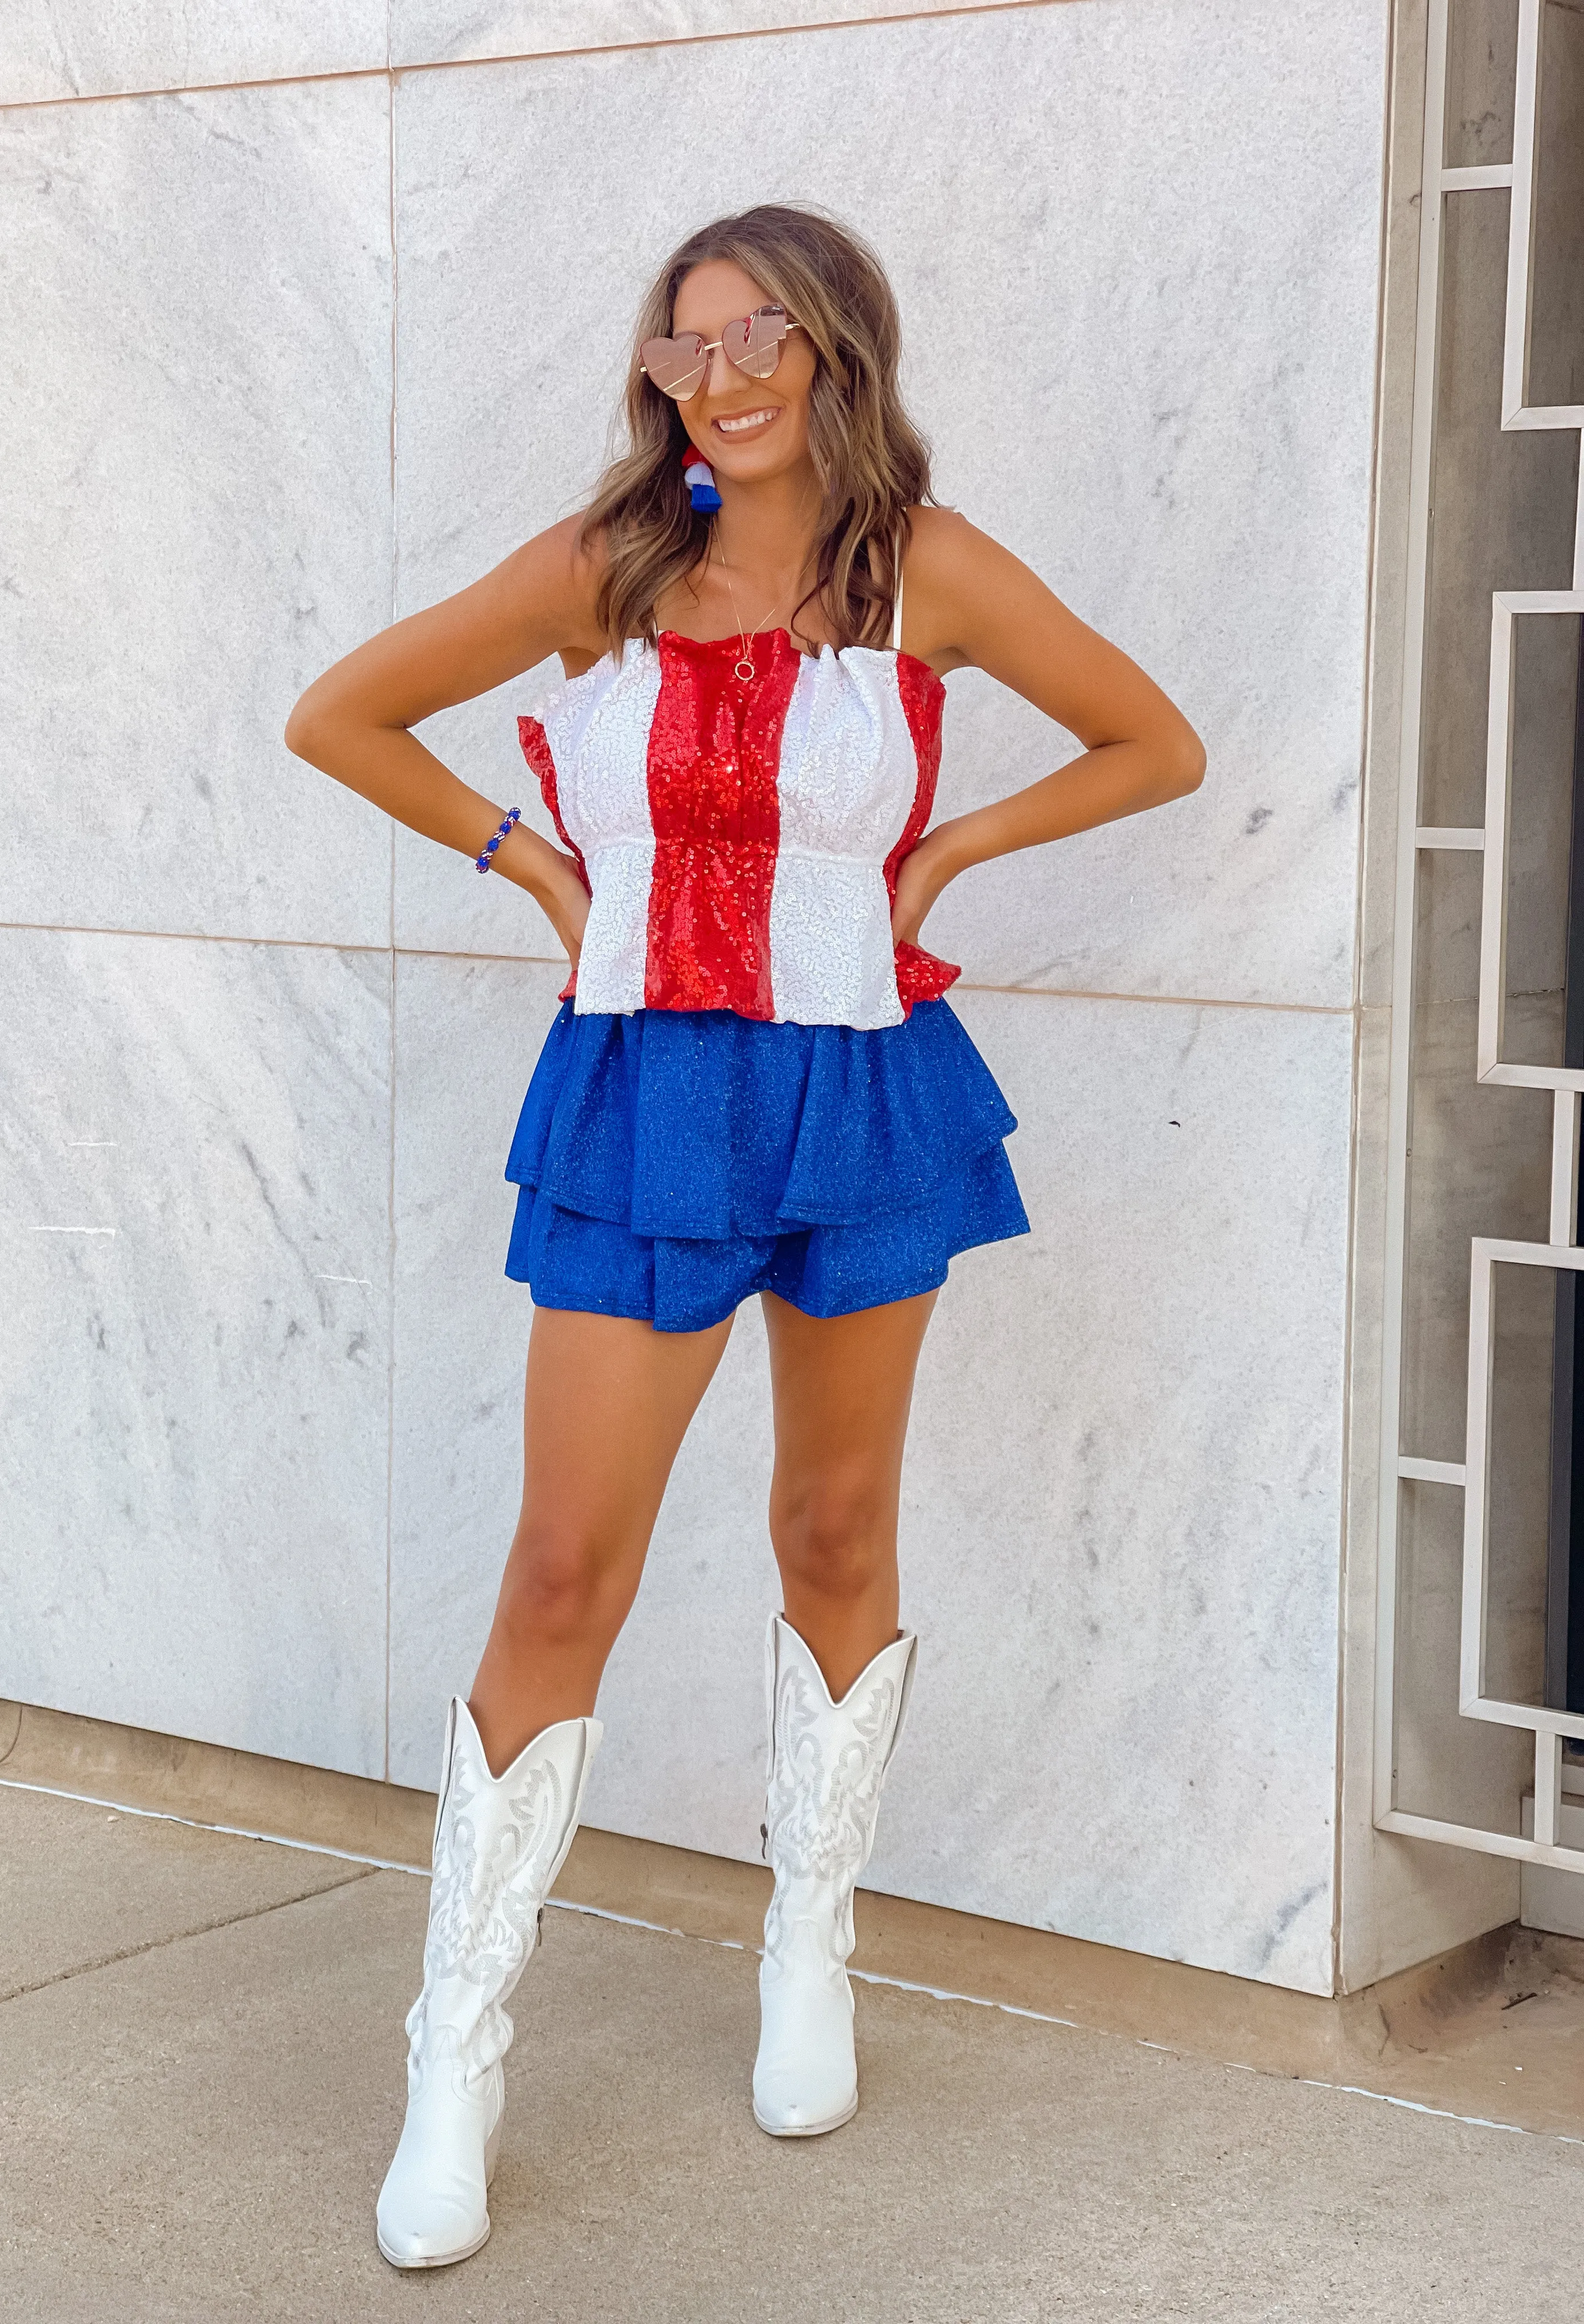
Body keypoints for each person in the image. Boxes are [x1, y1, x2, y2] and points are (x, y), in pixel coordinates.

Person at [286, 201, 1203, 2270]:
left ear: (838, 350)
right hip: (644, 1093)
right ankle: (458, 2052)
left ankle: (812, 1945)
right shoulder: (601, 574)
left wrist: (954, 841)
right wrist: (534, 867)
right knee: (560, 1564)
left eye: (764, 331)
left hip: (862, 1080)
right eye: (689, 343)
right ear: (661, 379)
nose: (725, 372)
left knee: (835, 1530)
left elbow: (1159, 742)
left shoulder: (927, 573)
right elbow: (338, 715)